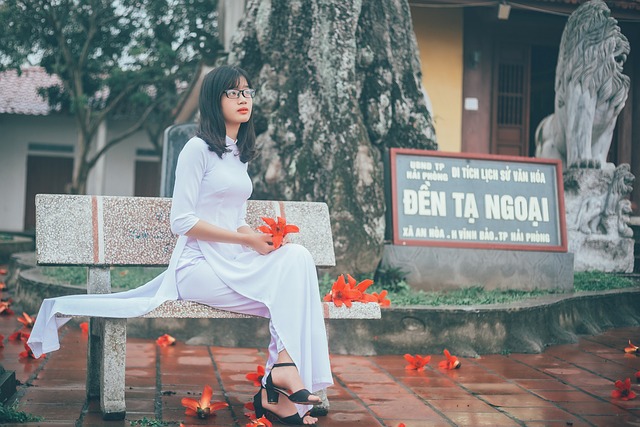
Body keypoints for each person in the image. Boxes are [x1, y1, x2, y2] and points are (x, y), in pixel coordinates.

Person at [27, 65, 333, 425]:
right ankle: (281, 393)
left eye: (247, 92)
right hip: (196, 266)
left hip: (231, 260)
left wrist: (255, 238)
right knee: (289, 288)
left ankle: (282, 373)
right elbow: (182, 221)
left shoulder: (238, 154)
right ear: (213, 99)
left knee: (296, 257)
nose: (243, 99)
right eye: (232, 93)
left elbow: (232, 216)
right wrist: (243, 238)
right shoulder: (197, 149)